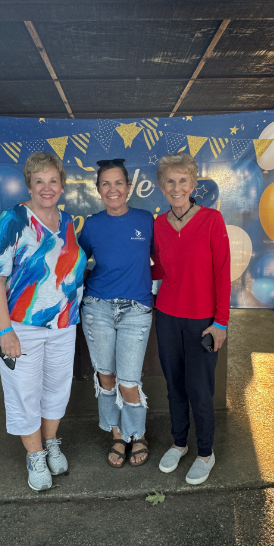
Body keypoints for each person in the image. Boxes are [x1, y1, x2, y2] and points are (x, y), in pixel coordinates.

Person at [0, 151, 87, 491]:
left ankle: (51, 441)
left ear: (62, 185)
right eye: (39, 181)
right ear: (29, 184)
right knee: (24, 393)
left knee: (57, 389)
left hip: (62, 325)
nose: (47, 187)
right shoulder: (13, 220)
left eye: (53, 180)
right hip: (19, 326)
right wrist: (4, 331)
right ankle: (34, 455)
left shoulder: (69, 221)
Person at [152, 153, 231, 485]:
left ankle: (205, 453)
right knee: (175, 386)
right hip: (167, 315)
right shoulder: (157, 224)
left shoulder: (212, 220)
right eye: (170, 181)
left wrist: (221, 323)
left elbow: (223, 273)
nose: (176, 187)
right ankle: (180, 443)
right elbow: (157, 267)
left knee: (200, 389)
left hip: (203, 320)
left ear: (194, 184)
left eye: (183, 180)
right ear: (161, 186)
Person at [78, 159, 154, 468]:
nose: (113, 189)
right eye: (105, 184)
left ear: (129, 187)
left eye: (118, 183)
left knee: (128, 381)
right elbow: (75, 264)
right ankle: (117, 435)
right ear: (98, 189)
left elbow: (166, 260)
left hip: (137, 309)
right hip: (98, 308)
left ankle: (138, 434)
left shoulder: (146, 220)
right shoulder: (92, 224)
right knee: (105, 377)